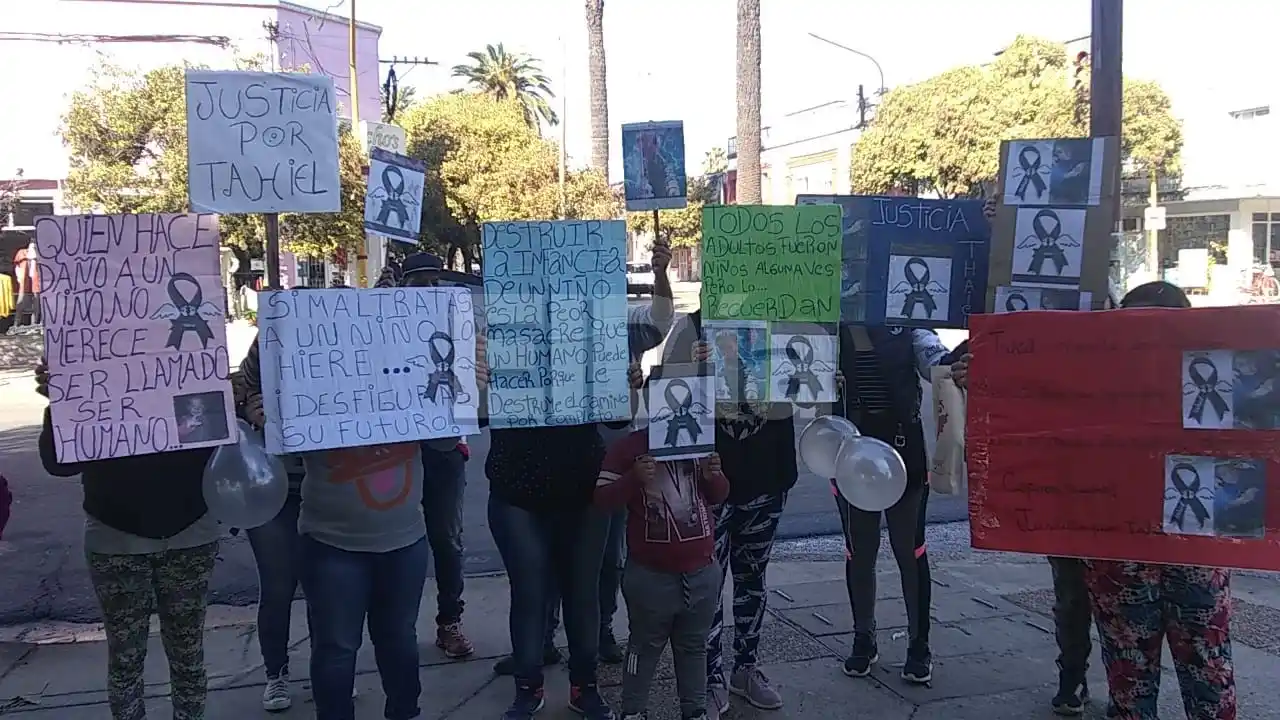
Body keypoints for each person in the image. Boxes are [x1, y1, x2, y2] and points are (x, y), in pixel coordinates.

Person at [490, 237, 677, 679]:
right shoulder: (519, 325)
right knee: (544, 568)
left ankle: (601, 634)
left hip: (606, 456)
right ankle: (541, 642)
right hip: (542, 465)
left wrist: (660, 274)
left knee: (603, 561)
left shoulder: (621, 323)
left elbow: (660, 320)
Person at [242, 325, 443, 720]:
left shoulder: (410, 361)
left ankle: (404, 712)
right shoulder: (310, 361)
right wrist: (259, 409)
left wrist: (464, 383)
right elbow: (258, 391)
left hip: (403, 539)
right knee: (336, 648)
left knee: (399, 642)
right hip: (331, 541)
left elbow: (447, 440)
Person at [35, 359, 219, 720]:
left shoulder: (188, 360)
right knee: (126, 656)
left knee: (187, 652)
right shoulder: (89, 367)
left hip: (188, 532)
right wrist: (64, 400)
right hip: (117, 536)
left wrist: (219, 389)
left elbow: (216, 443)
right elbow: (58, 462)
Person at [1087, 281, 1236, 720]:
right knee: (1203, 670)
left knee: (1135, 675)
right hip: (1177, 550)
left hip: (1135, 549)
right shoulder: (1218, 379)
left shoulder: (1100, 383)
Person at [972, 196, 1093, 714]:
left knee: (1100, 596)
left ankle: (1118, 684)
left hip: (1106, 476)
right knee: (1071, 590)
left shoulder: (1096, 309)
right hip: (1068, 479)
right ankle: (1074, 675)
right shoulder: (1013, 311)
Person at [664, 311, 794, 714]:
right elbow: (664, 394)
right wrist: (691, 369)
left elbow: (809, 386)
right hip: (707, 484)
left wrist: (826, 380)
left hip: (767, 477)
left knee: (753, 578)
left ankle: (746, 667)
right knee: (707, 584)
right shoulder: (690, 327)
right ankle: (710, 675)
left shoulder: (784, 319)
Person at [830, 324, 954, 685]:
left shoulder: (909, 326)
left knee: (910, 550)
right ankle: (863, 637)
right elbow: (798, 373)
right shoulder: (835, 325)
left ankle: (919, 644)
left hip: (903, 456)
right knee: (859, 550)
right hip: (851, 456)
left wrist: (957, 362)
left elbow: (935, 360)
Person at [594, 409, 728, 720]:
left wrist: (714, 476)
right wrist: (633, 478)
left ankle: (695, 711)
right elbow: (601, 498)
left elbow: (718, 494)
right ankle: (633, 711)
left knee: (694, 647)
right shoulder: (630, 447)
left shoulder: (698, 442)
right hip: (650, 575)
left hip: (702, 571)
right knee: (643, 647)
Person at [391, 253, 478, 659]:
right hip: (396, 452)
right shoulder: (386, 327)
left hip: (444, 450)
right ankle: (396, 627)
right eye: (419, 282)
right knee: (395, 541)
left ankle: (450, 621)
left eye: (434, 281)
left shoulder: (458, 325)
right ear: (403, 286)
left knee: (446, 539)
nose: (428, 289)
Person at [233, 354, 308, 711]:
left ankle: (332, 667)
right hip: (269, 483)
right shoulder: (269, 339)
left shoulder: (344, 331)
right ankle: (276, 673)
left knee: (328, 587)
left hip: (328, 484)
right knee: (277, 586)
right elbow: (232, 392)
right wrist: (248, 409)